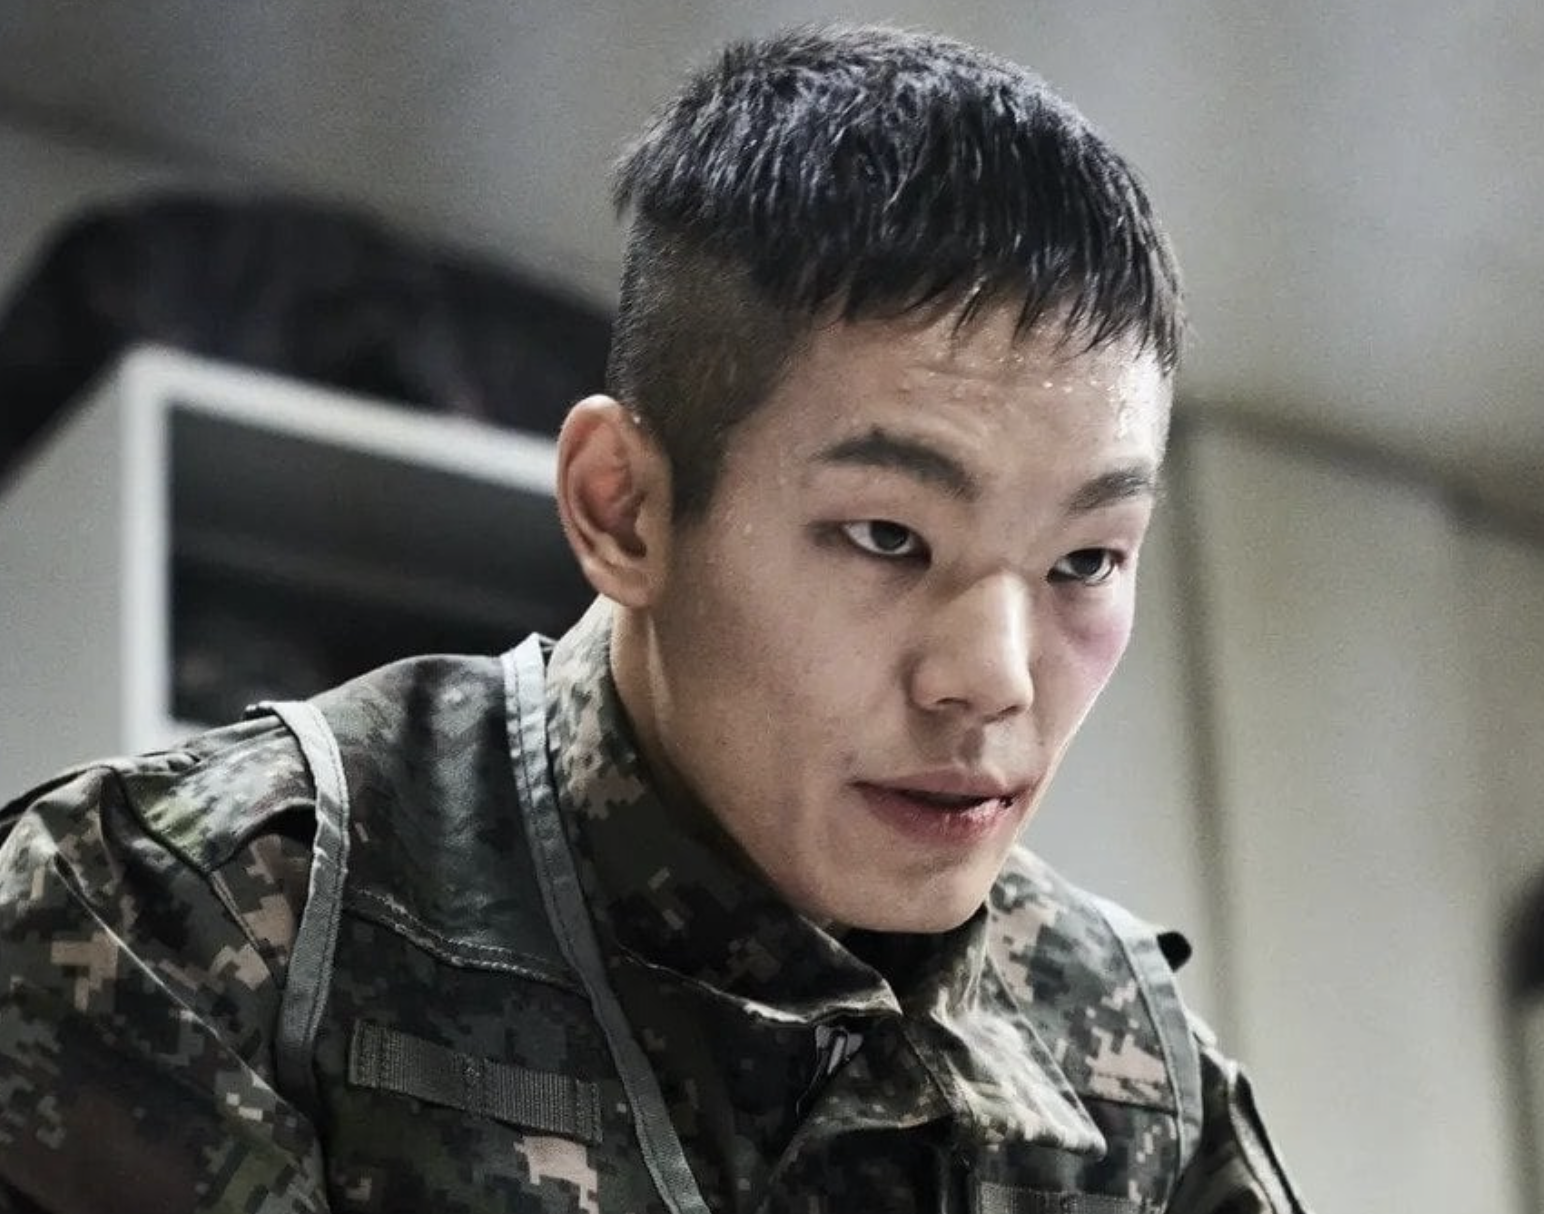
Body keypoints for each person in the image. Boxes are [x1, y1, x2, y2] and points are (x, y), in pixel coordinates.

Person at [0, 25, 1307, 1214]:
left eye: (1084, 559)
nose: (992, 679)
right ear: (623, 509)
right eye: (887, 536)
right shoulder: (181, 925)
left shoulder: (1132, 1077)